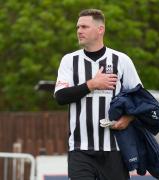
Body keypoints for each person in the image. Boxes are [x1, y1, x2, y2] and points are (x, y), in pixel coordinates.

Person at [54, 9, 142, 180]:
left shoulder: (121, 60)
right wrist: (92, 84)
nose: (79, 31)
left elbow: (140, 99)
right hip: (80, 150)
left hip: (115, 150)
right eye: (78, 27)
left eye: (84, 27)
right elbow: (60, 96)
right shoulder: (69, 61)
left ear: (100, 29)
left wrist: (128, 118)